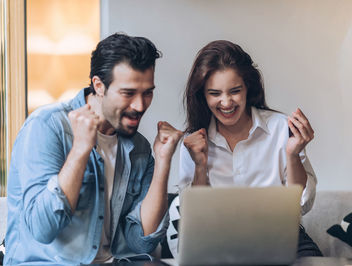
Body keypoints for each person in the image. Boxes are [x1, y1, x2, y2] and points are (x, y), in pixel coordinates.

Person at [5, 33, 183, 264]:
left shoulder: (138, 148)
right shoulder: (47, 126)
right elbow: (42, 229)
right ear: (99, 86)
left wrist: (162, 161)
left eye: (147, 92)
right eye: (128, 93)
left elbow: (141, 242)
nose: (140, 105)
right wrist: (80, 151)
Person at [179, 40, 322, 257]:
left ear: (248, 88)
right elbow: (196, 218)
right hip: (219, 242)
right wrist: (200, 166)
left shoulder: (281, 128)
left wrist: (292, 155)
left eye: (235, 91)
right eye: (215, 93)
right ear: (202, 95)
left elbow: (301, 204)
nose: (226, 102)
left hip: (284, 238)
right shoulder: (194, 142)